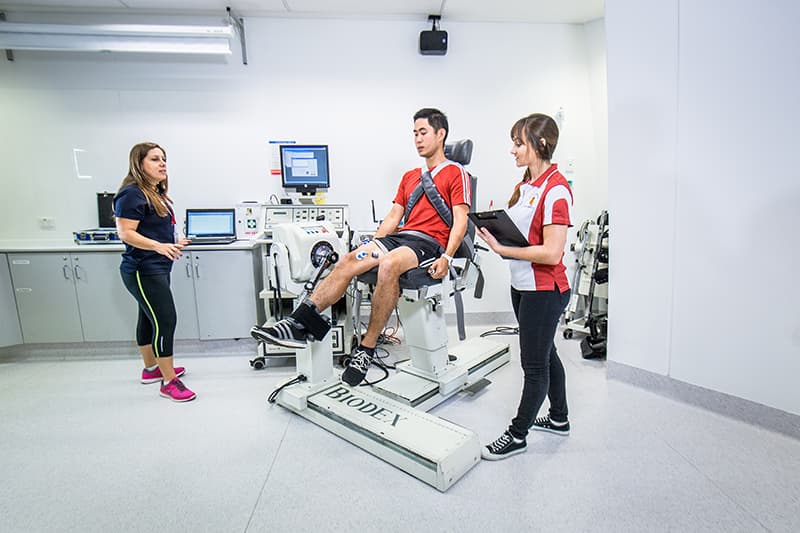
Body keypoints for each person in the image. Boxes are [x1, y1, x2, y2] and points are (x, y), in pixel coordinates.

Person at [251, 108, 471, 386]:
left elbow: (461, 219)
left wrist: (448, 257)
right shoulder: (410, 176)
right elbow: (394, 216)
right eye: (414, 133)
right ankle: (300, 321)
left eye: (423, 132)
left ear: (441, 135)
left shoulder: (455, 172)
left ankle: (365, 349)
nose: (417, 139)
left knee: (390, 264)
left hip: (428, 242)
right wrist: (373, 244)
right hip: (401, 237)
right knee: (350, 259)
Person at [477, 113, 573, 460]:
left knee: (533, 366)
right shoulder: (529, 186)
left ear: (540, 145)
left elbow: (552, 251)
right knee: (547, 354)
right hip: (524, 286)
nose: (512, 149)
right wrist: (494, 227)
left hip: (545, 291)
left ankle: (518, 435)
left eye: (519, 143)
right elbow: (524, 233)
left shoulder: (557, 189)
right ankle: (559, 419)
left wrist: (504, 249)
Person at [114, 142, 196, 402]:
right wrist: (159, 246)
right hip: (143, 268)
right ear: (139, 164)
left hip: (156, 266)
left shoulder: (153, 193)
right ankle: (169, 381)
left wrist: (172, 244)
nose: (162, 164)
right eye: (154, 159)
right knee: (165, 320)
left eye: (164, 159)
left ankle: (152, 369)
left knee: (148, 318)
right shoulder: (131, 193)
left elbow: (152, 229)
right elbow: (126, 233)